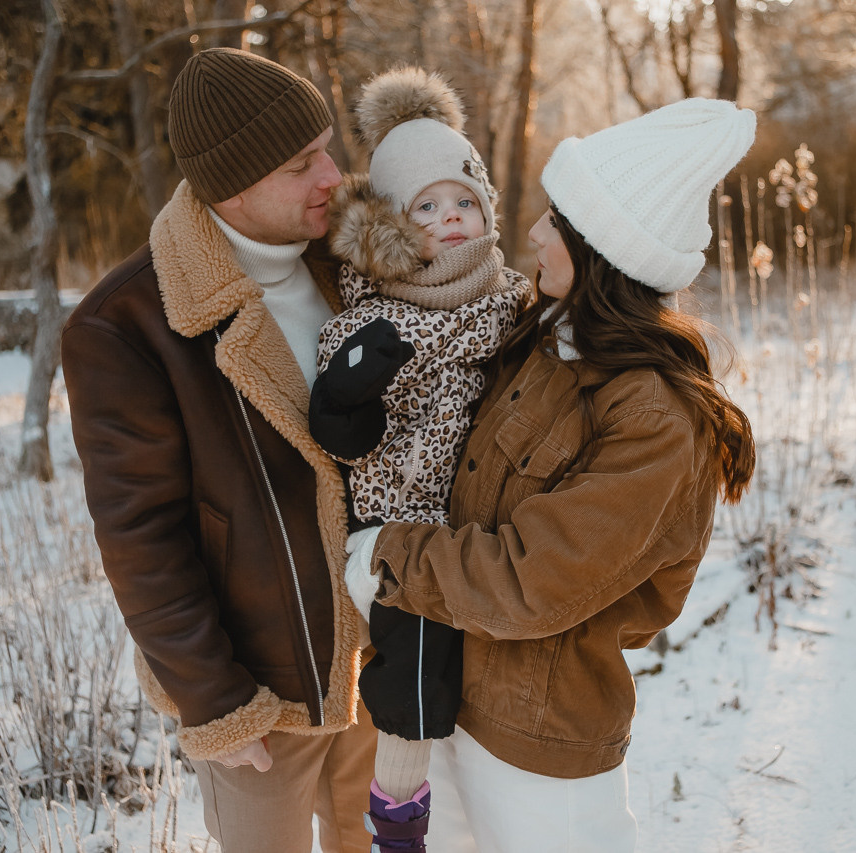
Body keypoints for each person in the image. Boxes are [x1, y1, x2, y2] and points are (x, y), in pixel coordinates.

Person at [341, 98, 759, 851]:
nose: (532, 231)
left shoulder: (654, 417)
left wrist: (385, 554)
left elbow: (535, 578)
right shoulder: (536, 339)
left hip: (541, 755)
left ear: (603, 249)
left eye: (558, 220)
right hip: (457, 709)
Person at [60, 48, 376, 853]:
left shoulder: (353, 263)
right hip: (260, 690)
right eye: (301, 164)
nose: (332, 176)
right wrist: (217, 699)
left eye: (327, 149)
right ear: (233, 186)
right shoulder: (125, 325)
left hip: (380, 659)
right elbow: (141, 536)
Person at [306, 67, 533, 851]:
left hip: (479, 519)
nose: (451, 219)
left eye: (462, 200)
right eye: (426, 208)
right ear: (395, 230)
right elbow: (344, 434)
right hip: (396, 529)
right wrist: (351, 393)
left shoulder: (511, 303)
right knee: (416, 667)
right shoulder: (374, 320)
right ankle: (397, 820)